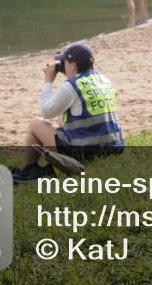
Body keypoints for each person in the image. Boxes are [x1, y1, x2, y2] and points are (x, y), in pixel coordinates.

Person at [12, 42, 124, 182]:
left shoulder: (72, 86)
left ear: (73, 65)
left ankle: (30, 170)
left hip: (85, 153)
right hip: (114, 147)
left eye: (64, 62)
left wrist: (48, 82)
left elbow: (46, 111)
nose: (62, 65)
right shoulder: (104, 80)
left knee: (35, 124)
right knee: (61, 121)